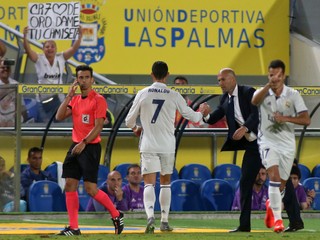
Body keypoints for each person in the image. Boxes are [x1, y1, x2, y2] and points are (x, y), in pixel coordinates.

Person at [125, 61, 204, 233]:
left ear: (151, 74)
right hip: (167, 145)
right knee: (166, 182)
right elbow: (191, 116)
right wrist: (202, 112)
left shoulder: (143, 93)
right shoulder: (174, 95)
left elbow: (129, 120)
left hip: (148, 144)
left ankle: (149, 217)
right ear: (167, 75)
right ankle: (165, 221)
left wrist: (136, 128)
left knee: (148, 183)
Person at [55, 65, 124, 235]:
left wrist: (84, 142)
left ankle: (116, 215)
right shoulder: (76, 99)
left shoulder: (98, 99)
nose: (84, 80)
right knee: (70, 184)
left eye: (86, 77)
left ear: (92, 80)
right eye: (80, 77)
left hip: (90, 146)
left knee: (90, 189)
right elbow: (59, 116)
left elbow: (99, 126)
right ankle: (74, 227)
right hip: (76, 145)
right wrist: (68, 96)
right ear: (76, 80)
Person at [251, 59, 311, 233]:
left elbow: (306, 119)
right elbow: (254, 101)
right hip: (267, 141)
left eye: (277, 75)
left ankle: (271, 204)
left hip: (287, 144)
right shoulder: (262, 93)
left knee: (281, 185)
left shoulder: (293, 94)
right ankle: (278, 220)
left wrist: (285, 119)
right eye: (271, 75)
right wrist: (267, 86)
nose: (274, 78)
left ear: (283, 75)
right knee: (274, 177)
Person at [201, 68, 263, 233]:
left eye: (222, 80)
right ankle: (244, 225)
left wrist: (244, 128)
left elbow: (257, 115)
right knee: (245, 182)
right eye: (218, 80)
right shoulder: (225, 99)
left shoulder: (248, 92)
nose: (220, 83)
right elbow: (214, 117)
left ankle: (295, 220)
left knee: (281, 179)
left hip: (267, 141)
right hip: (252, 146)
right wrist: (206, 115)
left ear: (232, 79)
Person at [23, 26, 83, 121]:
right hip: (42, 101)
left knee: (59, 125)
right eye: (47, 47)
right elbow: (28, 51)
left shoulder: (61, 58)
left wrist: (80, 36)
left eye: (52, 46)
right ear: (43, 49)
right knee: (44, 126)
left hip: (58, 99)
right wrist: (25, 36)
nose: (50, 49)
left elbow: (73, 49)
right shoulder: (39, 59)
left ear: (56, 49)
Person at [0, 59, 28, 126]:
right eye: (2, 67)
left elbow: (21, 106)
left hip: (13, 124)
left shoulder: (16, 84)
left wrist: (21, 120)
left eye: (8, 67)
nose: (5, 69)